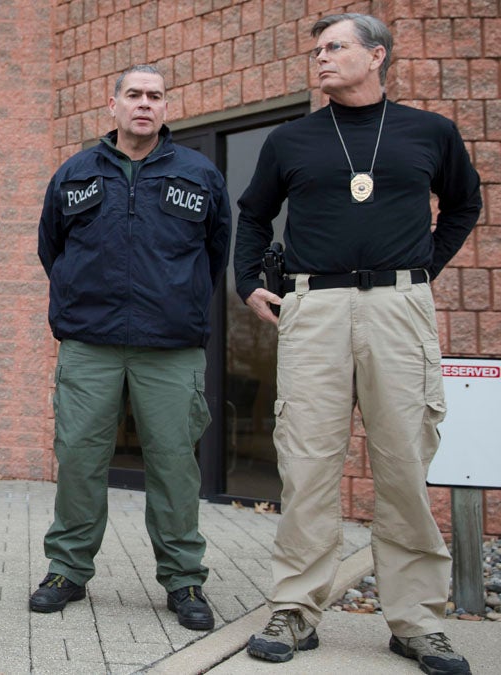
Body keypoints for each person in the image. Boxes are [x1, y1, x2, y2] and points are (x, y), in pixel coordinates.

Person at [233, 14, 480, 674]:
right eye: (316, 50)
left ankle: (417, 621)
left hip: (400, 306)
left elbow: (464, 203)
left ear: (376, 56)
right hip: (314, 307)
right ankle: (295, 608)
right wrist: (248, 281)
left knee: (403, 460)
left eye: (334, 48)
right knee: (308, 461)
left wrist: (425, 264)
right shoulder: (292, 140)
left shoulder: (430, 132)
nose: (320, 58)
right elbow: (253, 212)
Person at [31, 65, 231, 632]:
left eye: (156, 96)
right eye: (134, 95)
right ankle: (66, 570)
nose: (144, 104)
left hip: (170, 348)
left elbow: (215, 252)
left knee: (173, 466)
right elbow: (53, 249)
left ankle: (184, 578)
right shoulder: (74, 174)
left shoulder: (198, 174)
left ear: (167, 107)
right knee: (79, 459)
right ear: (112, 105)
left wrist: (173, 302)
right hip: (90, 344)